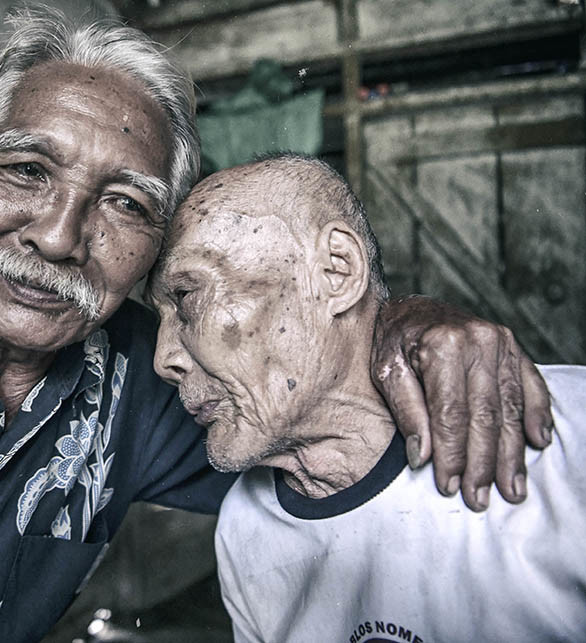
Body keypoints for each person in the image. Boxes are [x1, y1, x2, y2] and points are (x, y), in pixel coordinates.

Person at [0, 7, 551, 643]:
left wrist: (409, 322)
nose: (60, 236)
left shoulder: (154, 389)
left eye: (124, 202)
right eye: (28, 170)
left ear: (157, 241)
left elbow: (318, 398)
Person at [148, 153, 584, 642]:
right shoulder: (244, 529)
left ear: (336, 272)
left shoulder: (568, 433)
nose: (164, 359)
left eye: (187, 298)